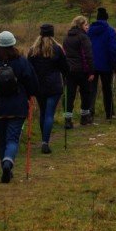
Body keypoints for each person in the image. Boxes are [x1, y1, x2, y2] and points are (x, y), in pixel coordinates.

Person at [0, 31, 39, 183]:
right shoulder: (21, 61)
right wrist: (31, 95)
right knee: (13, 139)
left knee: (2, 139)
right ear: (13, 44)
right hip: (17, 107)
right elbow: (32, 82)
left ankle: (5, 167)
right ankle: (8, 163)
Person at [27, 23, 70, 154]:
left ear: (40, 34)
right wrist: (66, 76)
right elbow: (66, 68)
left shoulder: (33, 50)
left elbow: (28, 68)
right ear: (52, 34)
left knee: (43, 112)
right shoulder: (57, 49)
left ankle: (43, 140)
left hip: (39, 86)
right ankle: (45, 142)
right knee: (49, 114)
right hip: (54, 85)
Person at [87, 7, 116, 123]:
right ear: (106, 18)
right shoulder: (110, 30)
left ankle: (90, 113)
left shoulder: (89, 30)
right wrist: (113, 63)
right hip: (106, 65)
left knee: (91, 90)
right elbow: (113, 49)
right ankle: (109, 112)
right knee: (107, 89)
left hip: (92, 65)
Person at [62, 15, 95, 126]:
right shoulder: (83, 37)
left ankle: (67, 119)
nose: (88, 27)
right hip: (82, 70)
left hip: (69, 70)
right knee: (86, 93)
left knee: (69, 95)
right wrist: (91, 71)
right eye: (86, 24)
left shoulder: (67, 37)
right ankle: (84, 117)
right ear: (81, 25)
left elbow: (65, 54)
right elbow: (88, 55)